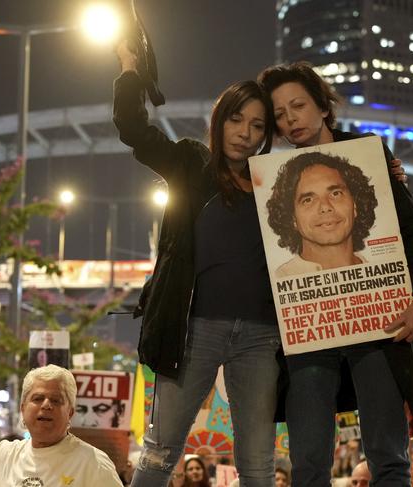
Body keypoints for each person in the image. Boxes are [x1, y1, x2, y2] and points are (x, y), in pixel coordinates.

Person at [258, 61, 413, 487]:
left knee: (389, 456)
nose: (291, 120)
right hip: (309, 330)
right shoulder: (272, 176)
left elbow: (410, 230)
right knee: (308, 462)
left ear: (323, 106)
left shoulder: (368, 154)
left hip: (378, 323)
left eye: (299, 106)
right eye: (280, 114)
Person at [114, 40, 280, 487]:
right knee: (161, 449)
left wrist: (391, 173)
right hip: (194, 329)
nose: (245, 132)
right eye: (237, 118)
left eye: (258, 125)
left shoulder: (277, 185)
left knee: (258, 462)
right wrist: (130, 69)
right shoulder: (190, 162)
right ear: (219, 119)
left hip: (261, 337)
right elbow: (133, 129)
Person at [0, 364, 122, 486]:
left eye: (56, 400)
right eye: (38, 398)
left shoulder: (93, 464)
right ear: (23, 408)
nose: (46, 405)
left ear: (70, 412)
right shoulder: (1, 456)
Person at [267, 151, 376, 277]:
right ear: (292, 218)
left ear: (355, 205)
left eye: (335, 193)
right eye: (308, 200)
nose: (325, 207)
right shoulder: (277, 281)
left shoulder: (384, 276)